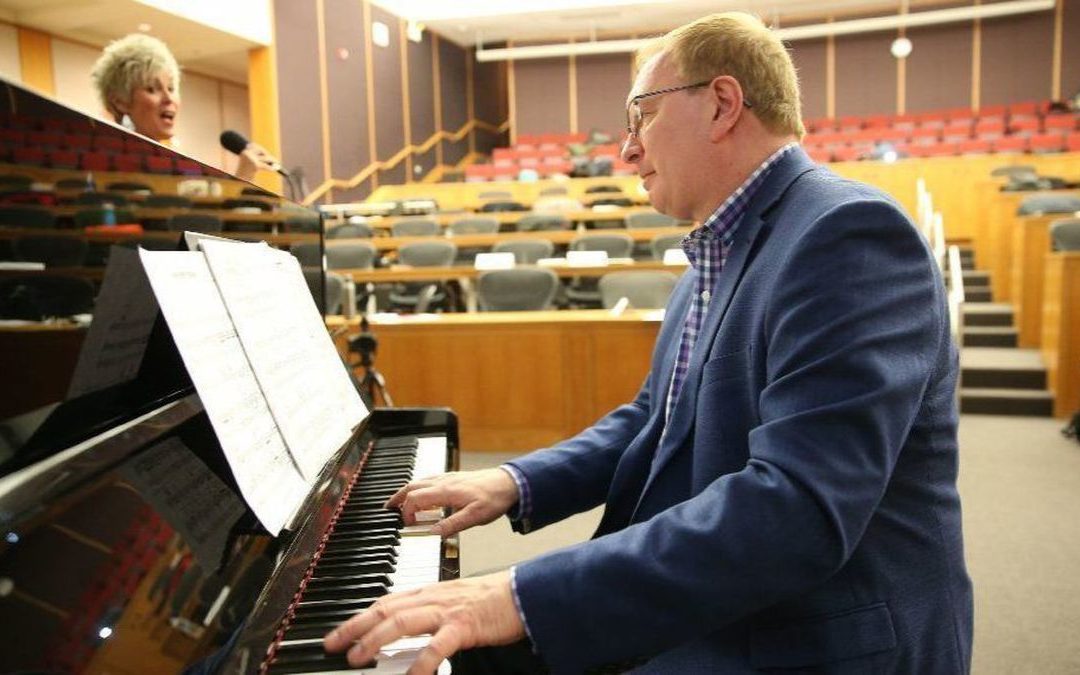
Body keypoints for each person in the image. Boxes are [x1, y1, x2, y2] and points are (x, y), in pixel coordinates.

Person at [324, 12, 973, 674]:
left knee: (462, 645)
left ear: (721, 105)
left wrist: (520, 593)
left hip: (804, 635)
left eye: (641, 118)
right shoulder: (718, 248)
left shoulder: (846, 236)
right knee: (449, 647)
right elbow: (656, 420)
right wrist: (515, 480)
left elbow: (796, 510)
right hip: (720, 594)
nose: (626, 151)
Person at [91, 34, 276, 182]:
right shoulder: (111, 162)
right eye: (152, 89)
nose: (169, 98)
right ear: (120, 102)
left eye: (171, 88)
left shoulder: (177, 163)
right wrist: (243, 177)